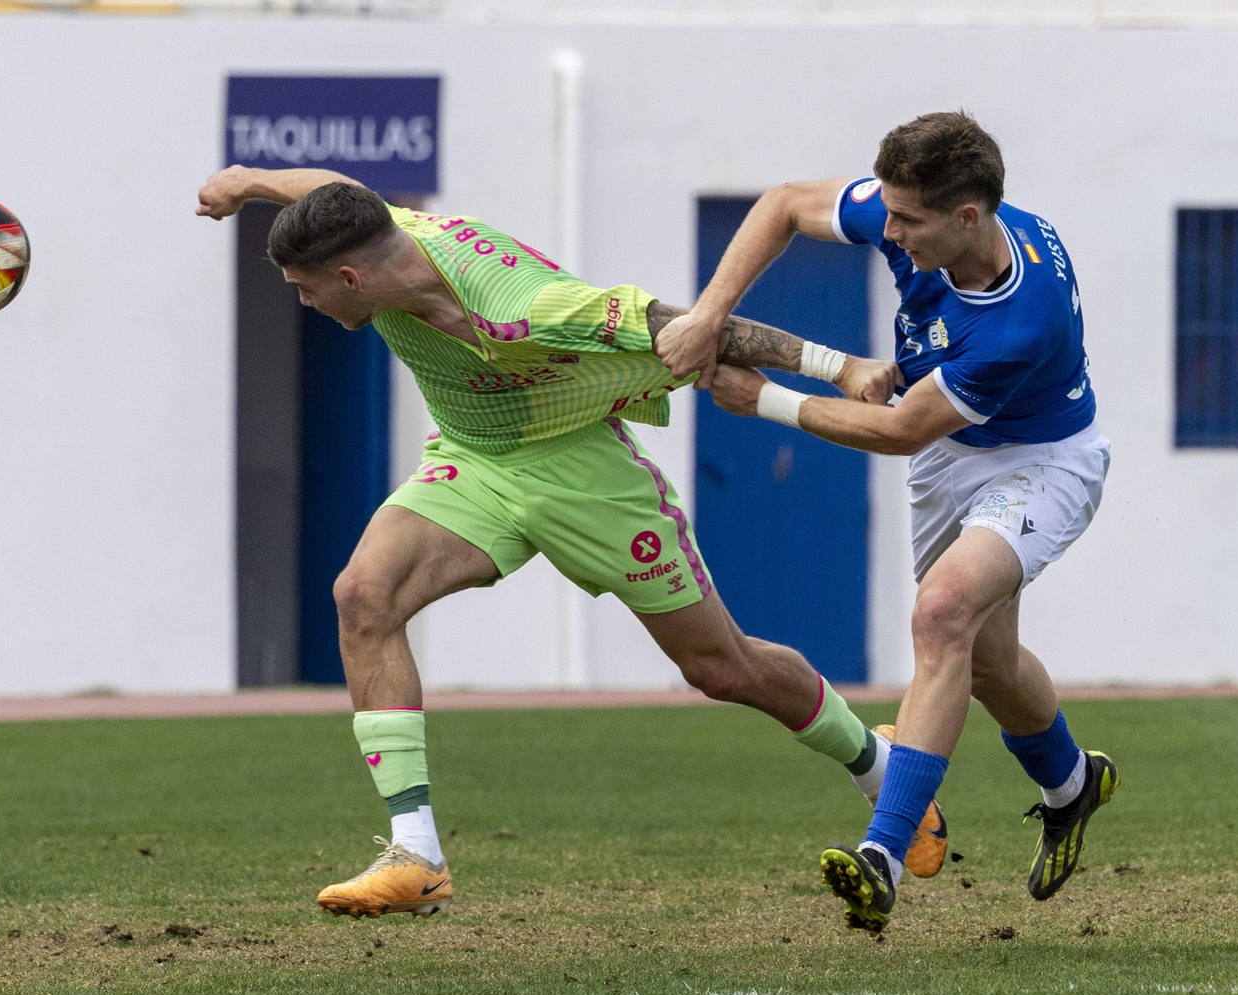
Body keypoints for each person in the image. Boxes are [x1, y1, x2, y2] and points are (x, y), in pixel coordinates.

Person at [193, 164, 948, 918]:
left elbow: (686, 328)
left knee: (723, 668)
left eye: (306, 288)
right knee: (363, 595)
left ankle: (880, 769)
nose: (304, 300)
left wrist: (841, 367)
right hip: (476, 460)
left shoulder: (527, 308)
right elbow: (330, 187)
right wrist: (248, 181)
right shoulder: (381, 232)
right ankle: (417, 854)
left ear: (352, 279)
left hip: (585, 473)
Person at [655, 112, 1117, 935]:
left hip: (1042, 459)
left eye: (907, 221)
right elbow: (786, 202)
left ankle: (885, 855)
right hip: (953, 447)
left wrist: (765, 399)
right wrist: (707, 314)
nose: (889, 231)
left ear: (968, 218)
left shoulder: (1022, 318)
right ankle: (1072, 783)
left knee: (942, 613)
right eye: (888, 213)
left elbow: (904, 431)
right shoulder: (924, 219)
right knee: (987, 663)